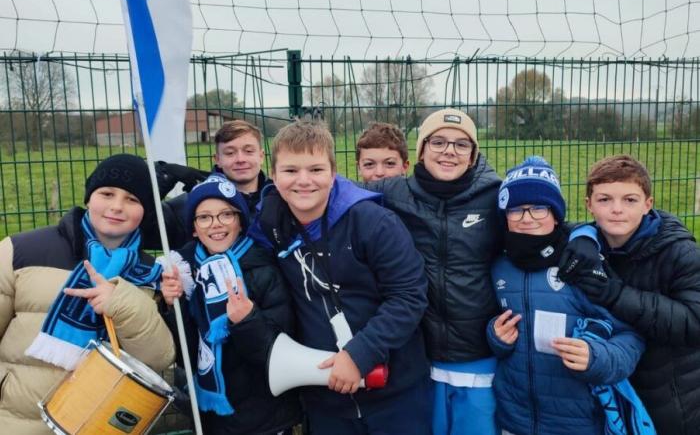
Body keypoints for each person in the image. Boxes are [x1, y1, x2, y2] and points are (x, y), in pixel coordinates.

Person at [250, 121, 431, 434]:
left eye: (316, 170)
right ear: (274, 173)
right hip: (324, 402)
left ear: (333, 172)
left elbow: (409, 296)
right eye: (291, 171)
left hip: (395, 395)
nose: (304, 181)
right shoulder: (269, 227)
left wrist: (360, 354)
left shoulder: (373, 223)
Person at [0, 153, 175, 434]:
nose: (117, 207)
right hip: (17, 421)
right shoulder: (20, 252)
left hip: (100, 423)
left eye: (132, 199)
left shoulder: (152, 274)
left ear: (146, 211)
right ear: (89, 197)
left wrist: (120, 302)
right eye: (107, 193)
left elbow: (157, 359)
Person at [363, 108, 502, 435]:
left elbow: (543, 219)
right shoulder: (392, 192)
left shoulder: (496, 196)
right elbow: (331, 196)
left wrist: (584, 238)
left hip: (478, 353)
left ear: (473, 155)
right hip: (418, 354)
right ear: (421, 151)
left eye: (461, 144)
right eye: (438, 142)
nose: (449, 151)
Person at [488, 156, 647, 435]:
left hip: (577, 422)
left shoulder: (582, 261)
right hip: (513, 419)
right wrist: (495, 337)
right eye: (516, 210)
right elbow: (489, 320)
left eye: (538, 208)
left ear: (556, 213)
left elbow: (631, 335)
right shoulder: (498, 265)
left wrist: (596, 356)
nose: (527, 218)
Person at [557, 154, 700, 435]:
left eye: (630, 200)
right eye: (604, 199)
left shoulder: (680, 253)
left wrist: (617, 295)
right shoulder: (590, 243)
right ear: (589, 205)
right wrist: (583, 235)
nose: (617, 209)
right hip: (611, 387)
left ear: (648, 204)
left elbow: (695, 322)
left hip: (672, 396)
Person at [159, 173, 300, 435]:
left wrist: (247, 320)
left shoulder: (262, 268)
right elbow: (186, 355)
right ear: (194, 228)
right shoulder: (188, 273)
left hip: (264, 414)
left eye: (226, 214)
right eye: (204, 217)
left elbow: (279, 352)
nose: (216, 224)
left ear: (240, 222)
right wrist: (173, 305)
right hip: (213, 414)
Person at [146, 119, 271, 249]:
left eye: (249, 151)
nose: (240, 159)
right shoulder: (191, 204)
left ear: (261, 156)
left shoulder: (280, 197)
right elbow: (145, 231)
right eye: (230, 153)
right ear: (217, 159)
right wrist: (163, 176)